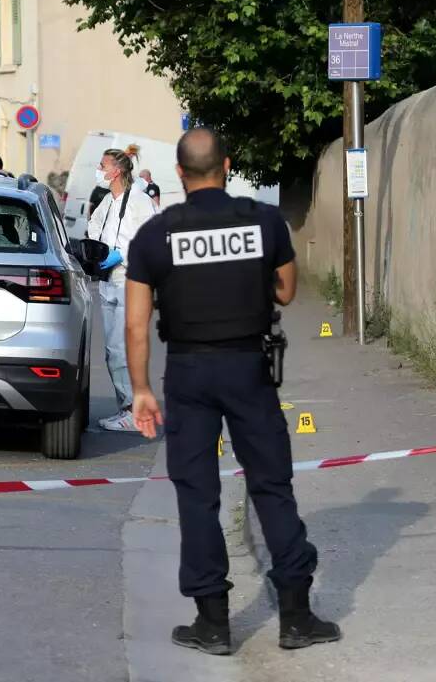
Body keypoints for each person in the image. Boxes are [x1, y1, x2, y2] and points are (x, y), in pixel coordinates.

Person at [124, 127, 340, 655]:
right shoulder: (263, 221)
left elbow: (135, 325)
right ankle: (296, 617)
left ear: (179, 172)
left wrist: (141, 389)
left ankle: (213, 623)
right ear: (226, 165)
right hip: (248, 367)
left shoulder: (154, 236)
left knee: (197, 494)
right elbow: (286, 292)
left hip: (188, 373)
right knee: (271, 485)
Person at [86, 145, 158, 432]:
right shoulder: (108, 201)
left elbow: (150, 238)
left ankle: (132, 411)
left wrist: (122, 254)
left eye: (102, 165)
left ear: (116, 171)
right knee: (111, 350)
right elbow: (94, 226)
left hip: (130, 280)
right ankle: (125, 408)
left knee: (121, 349)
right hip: (108, 280)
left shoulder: (140, 201)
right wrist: (99, 252)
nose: (99, 170)